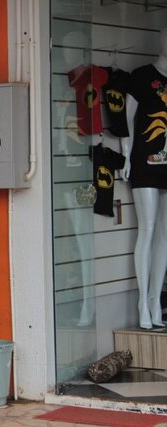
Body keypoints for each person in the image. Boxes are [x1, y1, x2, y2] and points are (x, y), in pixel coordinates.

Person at [121, 28, 167, 330]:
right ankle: (142, 301)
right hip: (145, 162)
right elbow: (128, 120)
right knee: (147, 227)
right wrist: (126, 154)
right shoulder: (141, 76)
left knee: (164, 234)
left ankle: (155, 300)